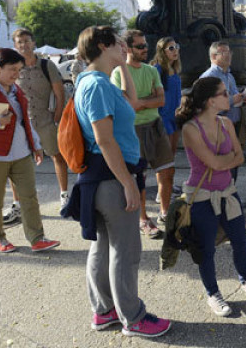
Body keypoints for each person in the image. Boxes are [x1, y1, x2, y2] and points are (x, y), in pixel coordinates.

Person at [70, 26, 171, 337]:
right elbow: (105, 140)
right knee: (124, 251)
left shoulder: (97, 81)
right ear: (103, 45)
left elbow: (130, 103)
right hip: (111, 177)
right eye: (119, 43)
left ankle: (105, 311)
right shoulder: (96, 85)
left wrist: (124, 65)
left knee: (103, 248)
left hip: (103, 177)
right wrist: (128, 182)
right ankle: (133, 317)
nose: (126, 47)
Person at [176, 77, 246, 316]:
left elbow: (241, 156)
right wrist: (228, 161)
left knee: (240, 242)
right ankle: (212, 294)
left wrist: (225, 162)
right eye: (224, 93)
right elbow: (218, 161)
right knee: (206, 249)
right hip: (202, 196)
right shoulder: (190, 129)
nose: (230, 97)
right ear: (210, 101)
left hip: (228, 193)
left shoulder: (226, 123)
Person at [0, 48, 60, 253]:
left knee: (29, 197)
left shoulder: (17, 91)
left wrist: (36, 146)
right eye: (12, 69)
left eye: (19, 70)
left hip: (20, 153)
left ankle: (37, 238)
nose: (17, 74)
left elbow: (26, 122)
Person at [113, 29, 172, 239]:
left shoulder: (152, 70)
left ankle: (165, 214)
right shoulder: (119, 73)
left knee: (166, 170)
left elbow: (161, 100)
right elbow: (128, 105)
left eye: (145, 45)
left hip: (155, 125)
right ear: (128, 49)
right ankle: (144, 219)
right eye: (139, 46)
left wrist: (141, 102)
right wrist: (145, 101)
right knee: (140, 175)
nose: (145, 49)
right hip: (133, 129)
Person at [13, 29, 71, 209]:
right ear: (15, 45)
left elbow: (59, 93)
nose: (24, 45)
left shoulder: (47, 65)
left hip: (46, 119)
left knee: (57, 156)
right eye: (20, 42)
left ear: (33, 43)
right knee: (16, 162)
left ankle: (64, 195)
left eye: (27, 41)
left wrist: (58, 115)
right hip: (23, 122)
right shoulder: (13, 66)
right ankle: (18, 202)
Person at [199, 41, 245, 180]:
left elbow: (234, 96)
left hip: (232, 124)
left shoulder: (229, 76)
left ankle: (229, 195)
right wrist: (232, 100)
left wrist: (243, 97)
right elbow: (206, 104)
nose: (229, 55)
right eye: (224, 53)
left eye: (229, 52)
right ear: (213, 57)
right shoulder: (209, 77)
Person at [152, 37, 184, 203]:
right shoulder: (157, 70)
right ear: (162, 52)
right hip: (163, 118)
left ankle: (167, 187)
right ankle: (161, 192)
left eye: (176, 46)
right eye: (171, 48)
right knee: (163, 158)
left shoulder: (174, 69)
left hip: (175, 117)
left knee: (170, 156)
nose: (175, 50)